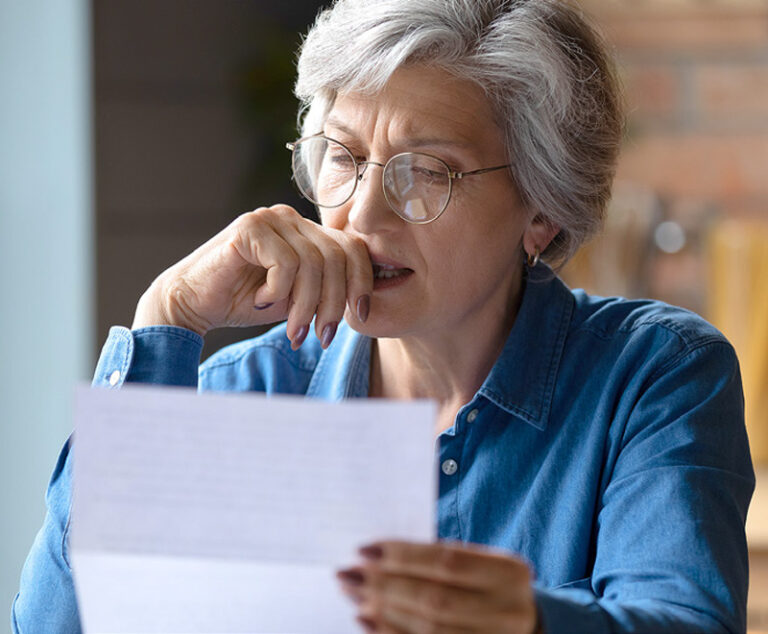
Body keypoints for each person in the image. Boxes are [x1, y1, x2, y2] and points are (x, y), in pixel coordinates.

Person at [12, 0, 754, 632]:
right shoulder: (249, 389)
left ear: (543, 211)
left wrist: (531, 622)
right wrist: (163, 320)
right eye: (341, 156)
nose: (361, 217)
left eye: (426, 171)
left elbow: (681, 619)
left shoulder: (653, 374)